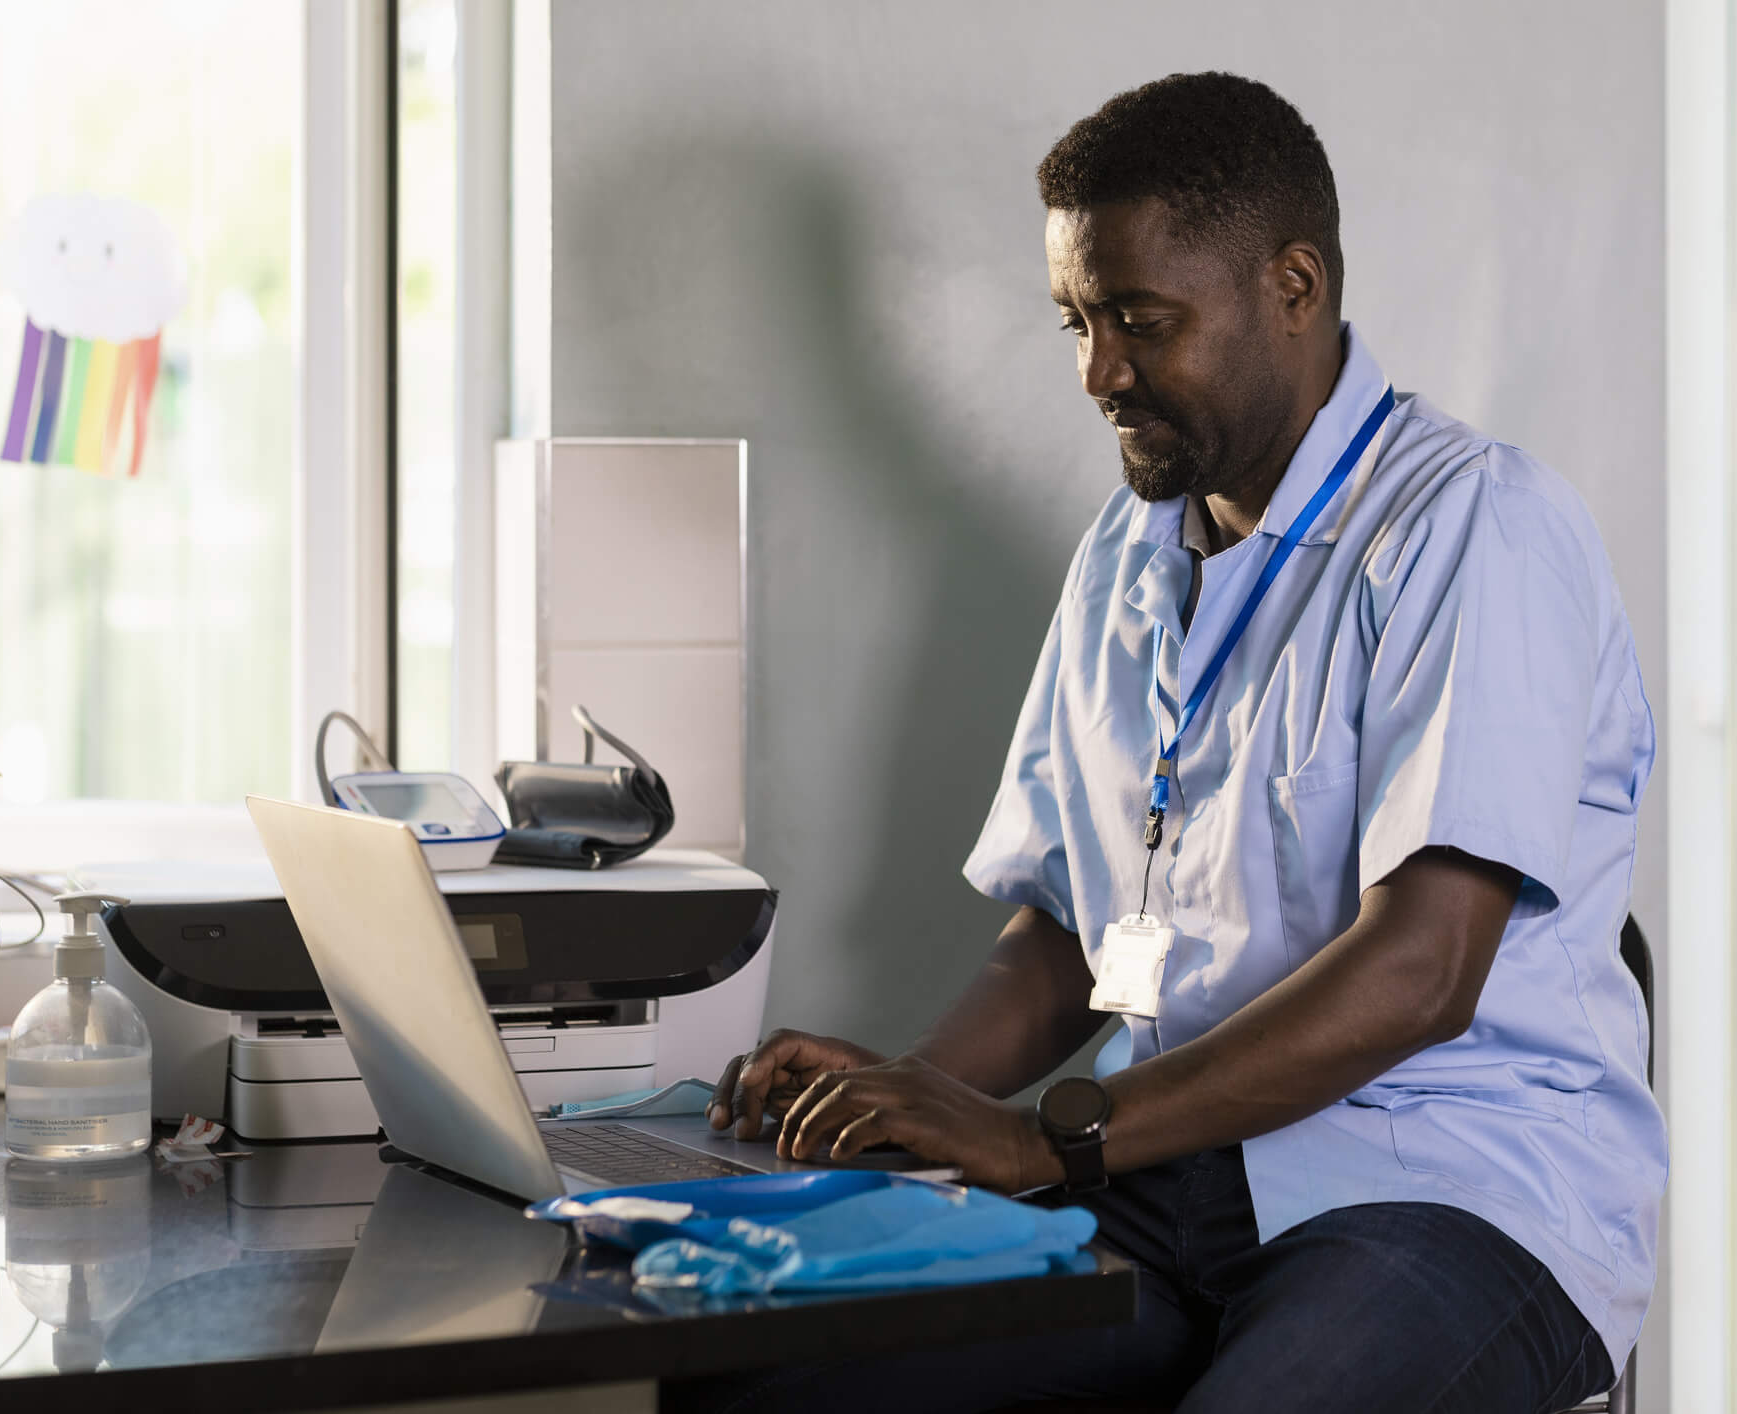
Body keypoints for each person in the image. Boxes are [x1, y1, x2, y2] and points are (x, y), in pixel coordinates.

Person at [687, 71, 1662, 1414]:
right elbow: (1069, 937)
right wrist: (912, 1093)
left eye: (1141, 321)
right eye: (1077, 322)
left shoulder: (1471, 527)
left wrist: (1043, 1138)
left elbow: (1424, 966)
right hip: (1159, 1180)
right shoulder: (1125, 555)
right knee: (763, 1385)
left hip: (1443, 1188)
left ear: (1294, 287)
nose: (1097, 371)